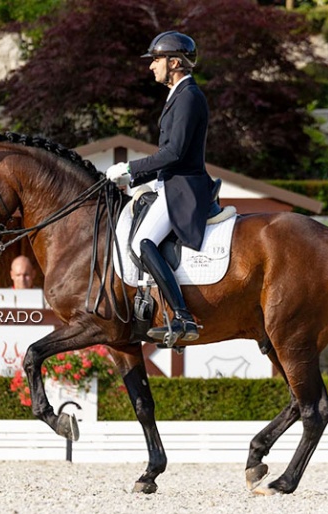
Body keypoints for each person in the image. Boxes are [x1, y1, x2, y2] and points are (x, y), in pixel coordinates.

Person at [106, 30, 214, 347]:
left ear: (175, 62)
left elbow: (175, 153)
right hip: (173, 181)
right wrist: (134, 181)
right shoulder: (178, 95)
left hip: (184, 188)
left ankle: (182, 315)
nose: (151, 66)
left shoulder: (189, 96)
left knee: (142, 241)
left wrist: (130, 167)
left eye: (156, 59)